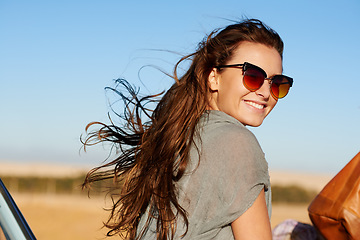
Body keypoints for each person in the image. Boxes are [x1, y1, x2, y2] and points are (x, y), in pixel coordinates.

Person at [82, 18, 293, 240]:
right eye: (253, 76)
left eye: (277, 83)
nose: (265, 92)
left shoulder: (183, 136)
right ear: (214, 78)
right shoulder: (237, 142)